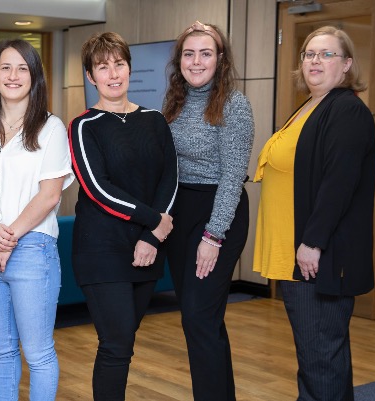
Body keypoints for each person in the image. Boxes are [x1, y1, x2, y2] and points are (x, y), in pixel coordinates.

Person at [253, 26, 375, 401]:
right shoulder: (312, 105)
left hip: (317, 257)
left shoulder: (346, 110)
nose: (315, 61)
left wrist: (312, 242)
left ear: (347, 64)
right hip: (299, 255)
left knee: (320, 356)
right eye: (309, 54)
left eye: (327, 54)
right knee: (319, 355)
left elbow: (339, 183)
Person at [0, 39, 72, 401]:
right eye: (5, 67)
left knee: (38, 354)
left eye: (22, 68)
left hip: (33, 249)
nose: (13, 75)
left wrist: (6, 239)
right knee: (1, 350)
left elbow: (49, 195)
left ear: (34, 77)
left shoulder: (51, 128)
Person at [69, 32, 177, 400]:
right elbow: (98, 188)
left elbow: (170, 179)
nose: (113, 74)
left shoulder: (155, 120)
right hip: (102, 250)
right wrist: (155, 222)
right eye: (103, 67)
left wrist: (152, 236)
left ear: (130, 68)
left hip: (148, 247)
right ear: (90, 76)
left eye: (119, 64)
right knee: (116, 344)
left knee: (125, 341)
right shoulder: (83, 126)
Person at [161, 21, 253, 401]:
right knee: (199, 319)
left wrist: (213, 236)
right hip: (181, 213)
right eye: (189, 53)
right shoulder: (174, 102)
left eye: (205, 53)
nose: (196, 61)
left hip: (218, 212)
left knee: (199, 318)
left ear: (220, 59)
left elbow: (233, 176)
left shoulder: (234, 104)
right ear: (179, 60)